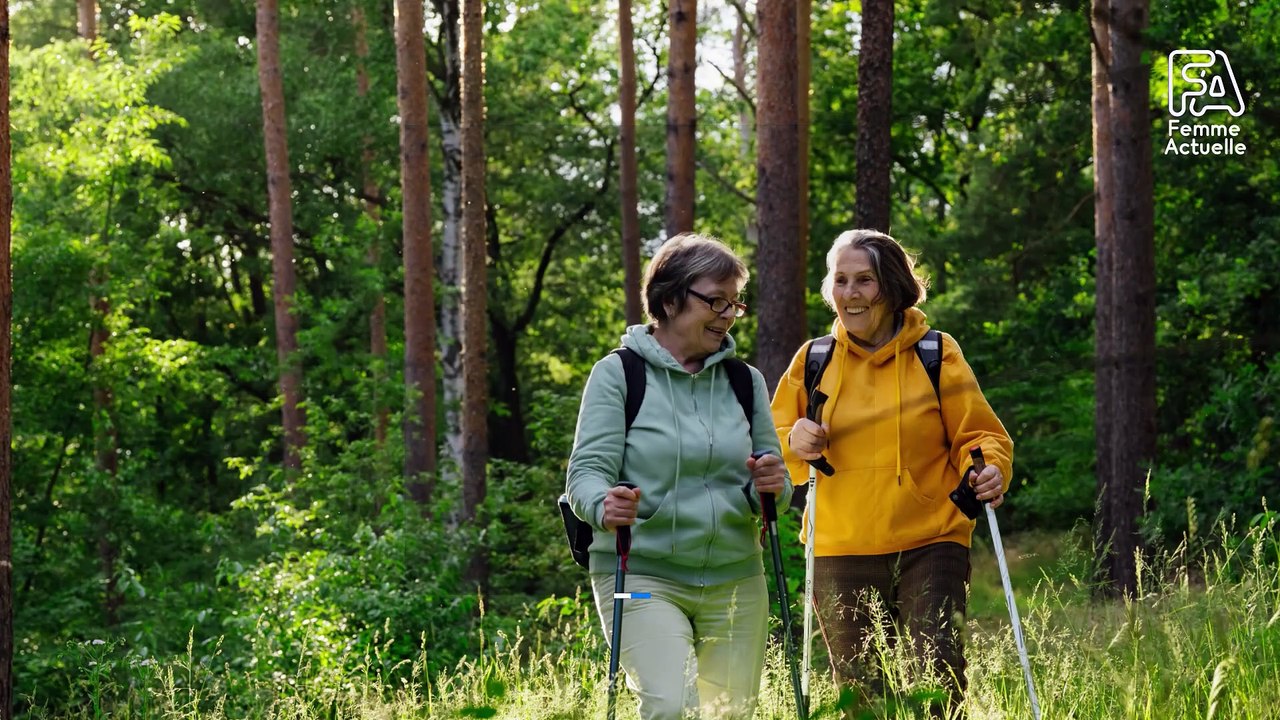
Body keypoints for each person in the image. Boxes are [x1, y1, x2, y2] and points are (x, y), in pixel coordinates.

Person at [769, 229, 1014, 718]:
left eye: (865, 280)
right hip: (842, 544)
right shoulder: (814, 360)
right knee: (860, 695)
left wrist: (988, 470)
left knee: (937, 678)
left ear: (894, 286)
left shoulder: (936, 352)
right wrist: (794, 437)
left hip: (932, 537)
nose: (850, 293)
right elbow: (770, 443)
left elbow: (981, 437)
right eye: (840, 280)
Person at [565, 232, 792, 720]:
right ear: (669, 300)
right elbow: (585, 473)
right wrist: (605, 505)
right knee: (670, 703)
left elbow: (773, 486)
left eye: (735, 303)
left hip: (736, 581)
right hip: (642, 579)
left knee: (730, 712)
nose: (728, 314)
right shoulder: (619, 374)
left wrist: (770, 484)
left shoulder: (743, 380)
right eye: (715, 300)